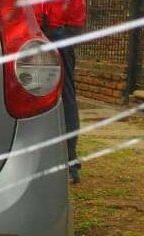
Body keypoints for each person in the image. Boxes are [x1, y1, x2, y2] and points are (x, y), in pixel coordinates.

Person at [35, 0, 87, 183]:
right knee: (64, 98)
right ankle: (67, 162)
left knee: (55, 98)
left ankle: (67, 162)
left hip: (50, 34)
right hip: (55, 33)